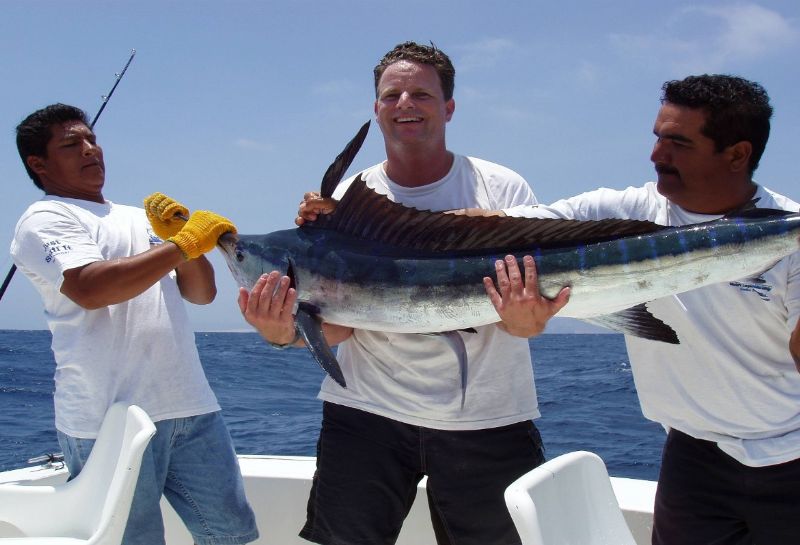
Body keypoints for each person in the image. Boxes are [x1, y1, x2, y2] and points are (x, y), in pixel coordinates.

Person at [239, 42, 568, 545]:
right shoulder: (346, 197)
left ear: (449, 107)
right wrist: (282, 333)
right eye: (391, 95)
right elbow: (340, 323)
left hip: (487, 417)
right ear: (376, 108)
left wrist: (530, 319)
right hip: (365, 416)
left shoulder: (500, 186)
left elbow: (525, 320)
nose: (405, 104)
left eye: (421, 94)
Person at [491, 75, 800, 545]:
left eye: (678, 143)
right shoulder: (624, 211)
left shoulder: (788, 233)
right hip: (692, 459)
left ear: (737, 154)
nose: (657, 155)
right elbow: (491, 228)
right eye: (657, 138)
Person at [10, 103, 258, 545]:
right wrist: (182, 244)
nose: (90, 150)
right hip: (108, 421)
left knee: (232, 535)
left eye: (92, 140)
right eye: (72, 144)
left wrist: (184, 239)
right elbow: (90, 288)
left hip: (191, 408)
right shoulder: (45, 219)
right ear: (38, 164)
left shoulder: (141, 219)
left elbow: (201, 295)